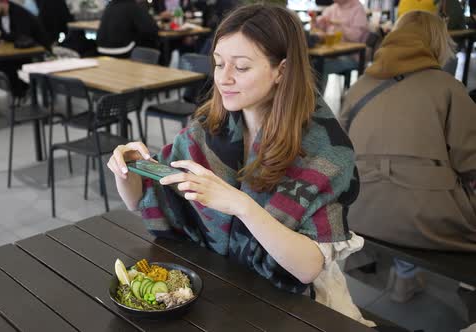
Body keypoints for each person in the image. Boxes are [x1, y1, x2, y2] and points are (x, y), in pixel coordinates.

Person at [108, 4, 382, 329]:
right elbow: (141, 201)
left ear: (281, 70)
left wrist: (240, 205)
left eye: (241, 67)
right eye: (219, 63)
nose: (224, 79)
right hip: (221, 282)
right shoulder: (211, 125)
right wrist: (129, 169)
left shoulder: (323, 148)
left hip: (293, 299)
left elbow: (308, 267)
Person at [340, 11, 476, 303]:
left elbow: (340, 150)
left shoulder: (360, 87)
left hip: (360, 211)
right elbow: (471, 163)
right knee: (424, 194)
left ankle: (384, 271)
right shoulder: (449, 88)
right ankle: (409, 280)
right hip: (428, 220)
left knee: (395, 194)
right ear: (437, 43)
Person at [0, 0, 51, 98]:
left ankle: (21, 95)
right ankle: (18, 96)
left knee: (6, 64)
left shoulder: (20, 14)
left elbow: (22, 37)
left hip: (38, 54)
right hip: (18, 54)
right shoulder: (0, 16)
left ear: (4, 2)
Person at [312, 0, 369, 90]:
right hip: (331, 54)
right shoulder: (332, 8)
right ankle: (311, 99)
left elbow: (355, 36)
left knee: (318, 67)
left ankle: (317, 101)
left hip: (352, 56)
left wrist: (338, 24)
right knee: (310, 64)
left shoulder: (357, 8)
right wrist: (316, 22)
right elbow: (318, 31)